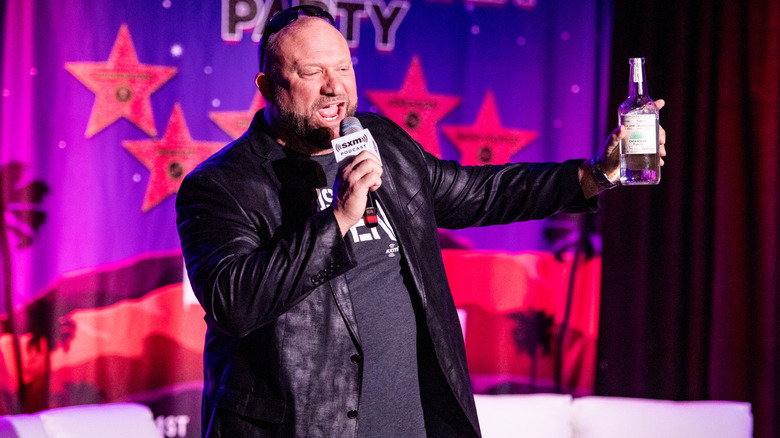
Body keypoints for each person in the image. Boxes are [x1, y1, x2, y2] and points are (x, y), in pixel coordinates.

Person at [176, 6, 666, 438]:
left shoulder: (380, 140)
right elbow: (233, 301)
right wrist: (339, 218)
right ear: (267, 85)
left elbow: (476, 194)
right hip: (302, 426)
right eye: (312, 72)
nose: (334, 87)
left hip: (412, 422)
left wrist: (596, 174)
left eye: (343, 69)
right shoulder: (220, 185)